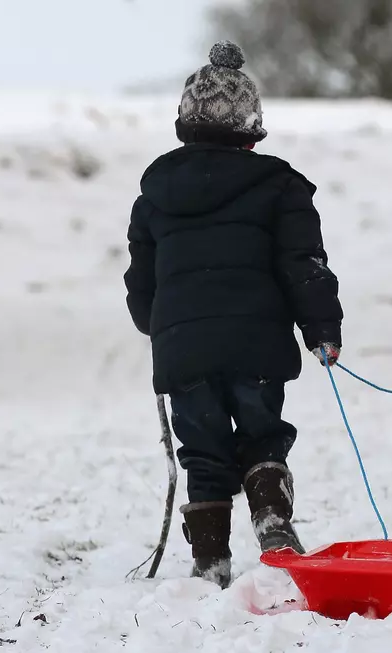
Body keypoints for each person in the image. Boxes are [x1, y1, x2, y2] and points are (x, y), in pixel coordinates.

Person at [124, 41, 344, 589]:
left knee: (202, 447)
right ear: (252, 131)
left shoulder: (154, 196)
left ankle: (211, 561)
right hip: (256, 342)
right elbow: (304, 265)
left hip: (183, 347)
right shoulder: (279, 187)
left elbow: (140, 280)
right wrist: (321, 329)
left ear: (185, 126)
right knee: (261, 431)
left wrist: (155, 324)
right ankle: (271, 515)